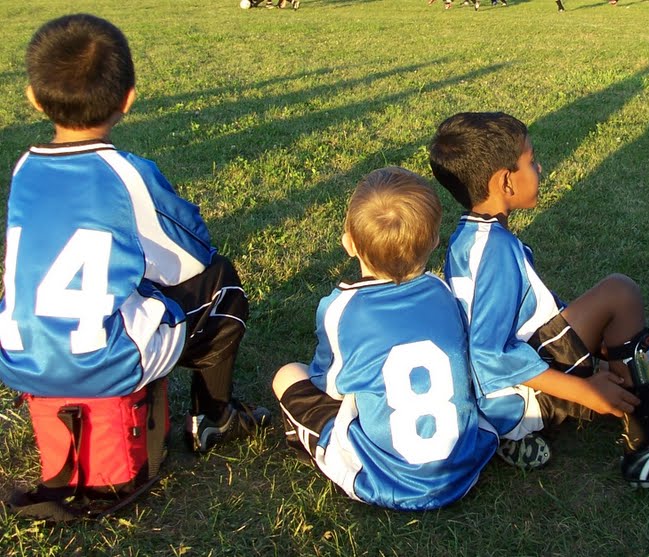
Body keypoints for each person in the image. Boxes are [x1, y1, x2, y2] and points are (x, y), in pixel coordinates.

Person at [0, 13, 269, 455]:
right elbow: (193, 255)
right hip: (104, 359)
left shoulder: (25, 168)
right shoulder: (126, 175)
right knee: (223, 284)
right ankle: (214, 418)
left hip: (19, 353)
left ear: (32, 98)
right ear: (128, 99)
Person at [428, 112, 649, 487]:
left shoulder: (472, 236)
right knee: (619, 294)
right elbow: (489, 356)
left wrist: (593, 364)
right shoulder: (493, 249)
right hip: (511, 398)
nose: (540, 167)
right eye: (531, 160)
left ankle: (528, 428)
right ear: (506, 181)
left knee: (616, 347)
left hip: (501, 393)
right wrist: (585, 391)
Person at [271, 167, 499, 511]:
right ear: (435, 240)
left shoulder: (342, 308)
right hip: (461, 470)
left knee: (288, 375)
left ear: (348, 241)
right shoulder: (441, 291)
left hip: (384, 479)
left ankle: (315, 447)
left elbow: (332, 385)